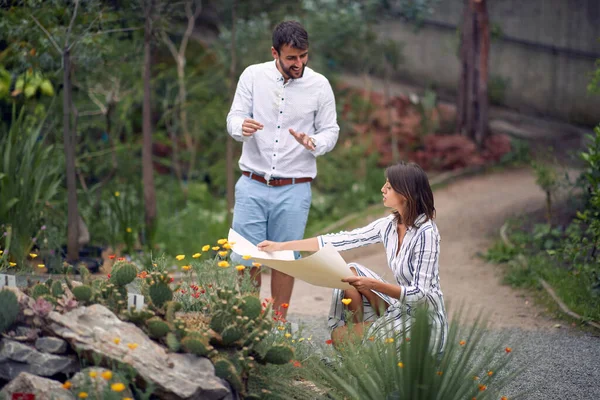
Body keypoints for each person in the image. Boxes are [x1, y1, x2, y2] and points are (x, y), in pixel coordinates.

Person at [257, 161, 448, 352]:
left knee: (340, 336)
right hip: (401, 307)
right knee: (350, 272)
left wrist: (372, 285)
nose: (382, 189)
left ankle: (366, 345)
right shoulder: (390, 224)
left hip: (423, 320)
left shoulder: (426, 233)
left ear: (405, 195)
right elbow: (342, 239)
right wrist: (281, 245)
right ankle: (361, 342)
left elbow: (422, 296)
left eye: (388, 187)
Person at [226, 21, 340, 318]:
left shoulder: (319, 85)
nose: (298, 63)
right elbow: (234, 117)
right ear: (274, 52)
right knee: (245, 259)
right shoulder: (253, 76)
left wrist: (313, 142)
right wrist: (242, 126)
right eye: (291, 58)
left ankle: (278, 327)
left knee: (285, 259)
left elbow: (331, 130)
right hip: (251, 183)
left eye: (303, 56)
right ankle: (246, 322)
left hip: (294, 187)